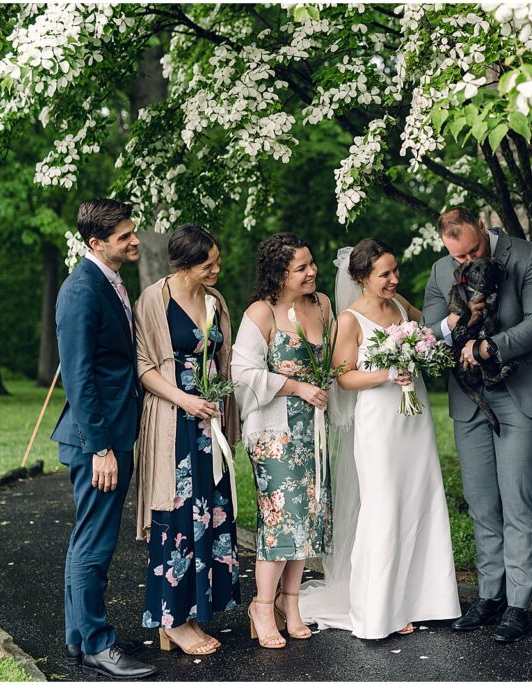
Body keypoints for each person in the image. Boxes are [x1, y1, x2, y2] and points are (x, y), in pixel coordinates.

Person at [298, 238, 461, 639]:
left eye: (394, 271)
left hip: (414, 418)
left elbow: (428, 334)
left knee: (421, 500)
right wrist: (386, 373)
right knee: (385, 507)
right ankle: (380, 607)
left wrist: (436, 340)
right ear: (360, 278)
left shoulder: (400, 305)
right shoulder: (349, 320)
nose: (394, 279)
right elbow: (343, 377)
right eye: (384, 274)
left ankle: (426, 600)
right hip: (380, 423)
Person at [422, 208, 532, 643]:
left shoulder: (529, 256)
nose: (465, 262)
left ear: (483, 225)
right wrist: (456, 327)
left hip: (518, 392)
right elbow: (428, 334)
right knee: (481, 502)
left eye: (473, 252)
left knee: (517, 499)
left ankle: (518, 603)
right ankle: (489, 594)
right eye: (457, 256)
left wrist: (487, 346)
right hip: (468, 399)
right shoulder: (442, 271)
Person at [51, 198, 157, 678]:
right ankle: (97, 643)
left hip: (112, 431)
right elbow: (78, 377)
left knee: (86, 540)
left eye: (132, 231)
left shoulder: (108, 281)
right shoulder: (81, 290)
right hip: (98, 439)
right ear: (96, 243)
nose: (134, 240)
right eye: (124, 236)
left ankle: (78, 638)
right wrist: (101, 448)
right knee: (94, 544)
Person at [134, 224, 241, 656]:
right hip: (174, 424)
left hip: (209, 425)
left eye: (217, 260)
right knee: (178, 517)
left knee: (211, 515)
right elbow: (143, 366)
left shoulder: (216, 301)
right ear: (181, 264)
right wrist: (186, 401)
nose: (216, 269)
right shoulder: (154, 300)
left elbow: (223, 359)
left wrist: (218, 407)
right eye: (207, 264)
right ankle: (170, 620)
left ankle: (193, 614)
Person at [231, 233, 333, 649]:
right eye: (301, 268)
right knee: (280, 520)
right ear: (279, 274)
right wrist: (295, 386)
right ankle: (262, 604)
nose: (311, 272)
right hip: (275, 433)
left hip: (317, 431)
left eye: (311, 264)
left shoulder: (323, 304)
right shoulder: (262, 312)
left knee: (308, 518)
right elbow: (241, 374)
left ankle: (291, 605)